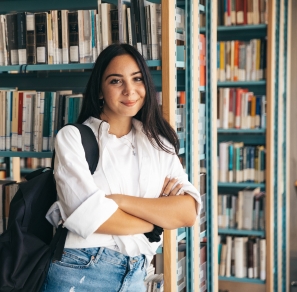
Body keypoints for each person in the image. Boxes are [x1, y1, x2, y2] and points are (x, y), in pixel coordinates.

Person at [41, 43, 201, 292]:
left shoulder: (158, 143)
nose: (130, 90)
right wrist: (155, 221)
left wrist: (118, 201)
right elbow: (89, 217)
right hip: (80, 271)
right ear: (100, 90)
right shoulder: (72, 137)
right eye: (116, 81)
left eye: (137, 79)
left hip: (136, 274)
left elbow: (187, 212)